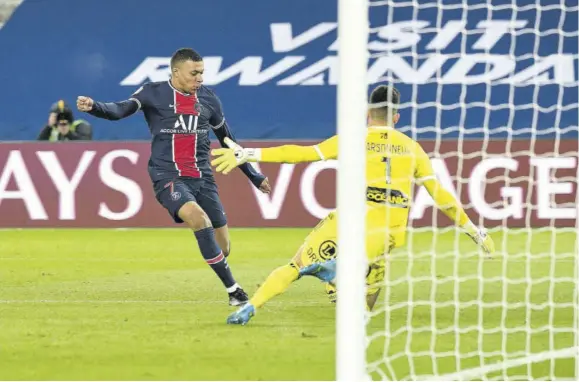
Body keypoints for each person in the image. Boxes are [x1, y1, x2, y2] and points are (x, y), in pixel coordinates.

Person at [211, 84, 495, 325]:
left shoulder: (354, 138)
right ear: (395, 116)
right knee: (369, 293)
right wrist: (473, 230)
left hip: (350, 220)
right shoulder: (412, 148)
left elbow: (300, 154)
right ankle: (347, 285)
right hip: (388, 231)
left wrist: (248, 153)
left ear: (367, 113)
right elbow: (440, 196)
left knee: (296, 264)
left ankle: (253, 305)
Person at [76, 48, 271, 306]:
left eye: (202, 72)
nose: (199, 78)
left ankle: (218, 264)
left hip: (203, 178)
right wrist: (94, 107)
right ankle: (234, 291)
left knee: (223, 248)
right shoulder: (152, 93)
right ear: (176, 72)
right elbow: (119, 110)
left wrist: (253, 176)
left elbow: (228, 141)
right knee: (198, 218)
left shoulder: (209, 99)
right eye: (194, 73)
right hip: (167, 175)